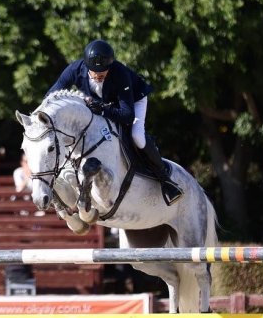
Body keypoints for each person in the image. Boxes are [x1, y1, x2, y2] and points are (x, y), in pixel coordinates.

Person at [47, 39, 182, 205]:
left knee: (137, 136)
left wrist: (103, 109)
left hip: (134, 101)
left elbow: (126, 115)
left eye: (103, 72)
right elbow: (53, 94)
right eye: (94, 71)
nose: (98, 75)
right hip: (105, 104)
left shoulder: (119, 73)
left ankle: (165, 179)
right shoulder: (75, 69)